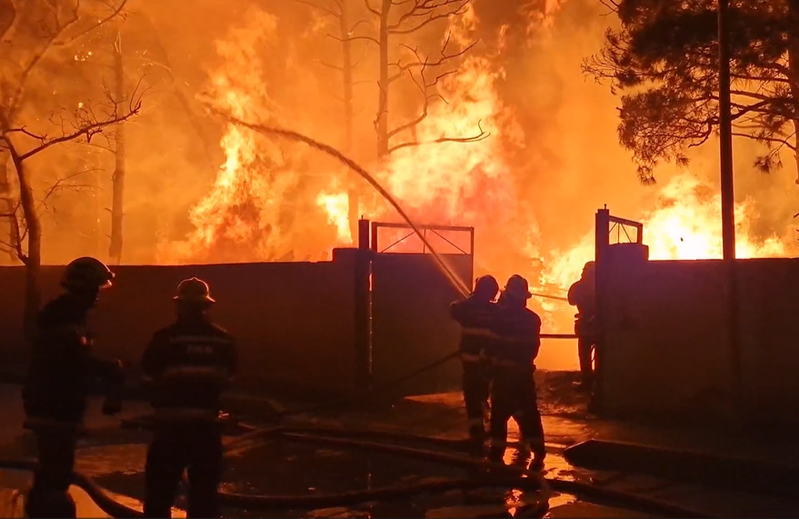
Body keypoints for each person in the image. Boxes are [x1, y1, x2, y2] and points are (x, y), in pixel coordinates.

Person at [22, 257, 125, 518]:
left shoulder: (68, 314)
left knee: (54, 472)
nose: (97, 296)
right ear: (84, 288)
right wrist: (108, 369)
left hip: (57, 405)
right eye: (95, 289)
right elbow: (70, 361)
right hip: (54, 407)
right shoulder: (63, 316)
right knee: (55, 475)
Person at [142, 277, 237, 518]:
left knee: (159, 495)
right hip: (206, 431)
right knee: (204, 498)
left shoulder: (164, 338)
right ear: (207, 306)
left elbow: (148, 376)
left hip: (170, 431)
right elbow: (228, 379)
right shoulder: (223, 340)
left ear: (179, 306)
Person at [488, 274, 546, 469]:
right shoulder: (533, 319)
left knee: (499, 415)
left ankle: (495, 456)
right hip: (523, 375)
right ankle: (539, 453)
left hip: (503, 375)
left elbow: (490, 344)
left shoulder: (498, 316)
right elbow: (533, 348)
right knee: (529, 412)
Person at [449, 275, 501, 450]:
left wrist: (472, 299)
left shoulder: (466, 309)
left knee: (472, 398)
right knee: (487, 394)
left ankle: (477, 435)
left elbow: (453, 308)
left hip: (470, 363)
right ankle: (493, 432)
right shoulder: (497, 312)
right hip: (487, 363)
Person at [568, 261, 597, 390]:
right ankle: (597, 380)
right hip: (600, 324)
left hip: (586, 325)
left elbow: (571, 300)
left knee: (584, 353)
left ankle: (587, 381)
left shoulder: (579, 286)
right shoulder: (602, 285)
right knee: (601, 353)